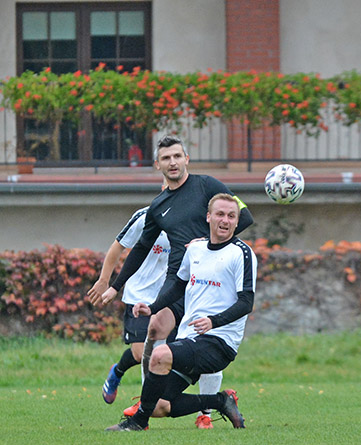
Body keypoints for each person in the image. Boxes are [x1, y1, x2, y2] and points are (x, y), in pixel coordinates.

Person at [100, 134, 254, 427]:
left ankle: (201, 413)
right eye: (166, 158)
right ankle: (148, 401)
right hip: (178, 282)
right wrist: (115, 286)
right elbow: (141, 248)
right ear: (158, 165)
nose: (173, 162)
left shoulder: (207, 185)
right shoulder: (158, 205)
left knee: (200, 339)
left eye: (177, 156)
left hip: (207, 284)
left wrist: (211, 246)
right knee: (156, 327)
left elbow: (242, 216)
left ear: (187, 159)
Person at [87, 202, 169, 407]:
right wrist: (104, 280)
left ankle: (157, 404)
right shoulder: (144, 217)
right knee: (141, 354)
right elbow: (118, 245)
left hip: (168, 297)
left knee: (164, 354)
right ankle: (118, 373)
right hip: (139, 295)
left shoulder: (188, 219)